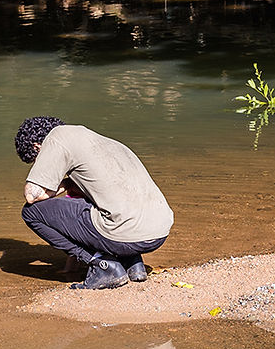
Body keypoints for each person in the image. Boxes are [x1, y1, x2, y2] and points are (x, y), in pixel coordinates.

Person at [14, 116, 174, 290]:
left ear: (37, 147)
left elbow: (31, 195)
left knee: (31, 212)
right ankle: (133, 263)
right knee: (101, 204)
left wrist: (66, 183)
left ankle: (103, 266)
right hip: (159, 231)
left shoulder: (56, 138)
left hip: (128, 234)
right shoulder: (102, 141)